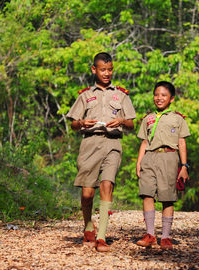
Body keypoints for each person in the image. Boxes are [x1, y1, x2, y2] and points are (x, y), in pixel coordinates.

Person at [66, 52, 136, 252]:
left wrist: (121, 121)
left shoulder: (121, 95)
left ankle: (102, 237)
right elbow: (73, 124)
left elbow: (131, 123)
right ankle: (88, 225)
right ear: (94, 70)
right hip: (90, 144)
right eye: (103, 70)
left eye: (110, 69)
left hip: (113, 144)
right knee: (87, 193)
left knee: (107, 185)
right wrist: (81, 123)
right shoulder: (85, 95)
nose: (107, 73)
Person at [135, 81, 190, 250]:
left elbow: (181, 142)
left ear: (171, 99)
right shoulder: (148, 118)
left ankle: (165, 236)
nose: (159, 98)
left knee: (167, 197)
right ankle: (150, 234)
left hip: (169, 157)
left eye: (164, 95)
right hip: (150, 157)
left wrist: (184, 166)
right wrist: (139, 163)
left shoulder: (178, 118)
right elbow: (144, 142)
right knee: (147, 194)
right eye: (156, 94)